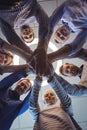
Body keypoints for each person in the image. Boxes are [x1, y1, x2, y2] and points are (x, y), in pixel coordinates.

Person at [0, 0, 49, 76]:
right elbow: (46, 22)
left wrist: (31, 57)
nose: (27, 34)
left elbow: (12, 39)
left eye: (26, 37)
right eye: (30, 35)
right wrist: (42, 46)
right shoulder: (34, 18)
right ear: (32, 31)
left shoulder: (10, 25)